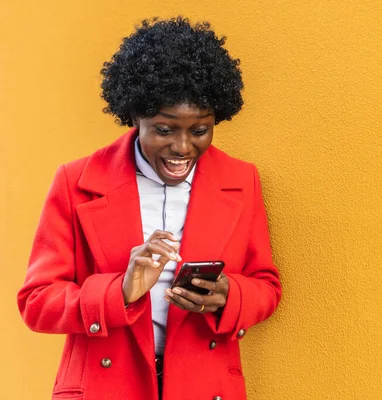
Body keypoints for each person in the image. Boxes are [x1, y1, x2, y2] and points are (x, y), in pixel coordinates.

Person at [17, 17, 282, 400]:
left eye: (200, 130)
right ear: (136, 116)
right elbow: (36, 302)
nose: (182, 147)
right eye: (164, 129)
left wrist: (229, 295)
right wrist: (118, 292)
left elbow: (267, 286)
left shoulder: (242, 181)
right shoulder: (76, 182)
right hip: (104, 387)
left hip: (205, 386)